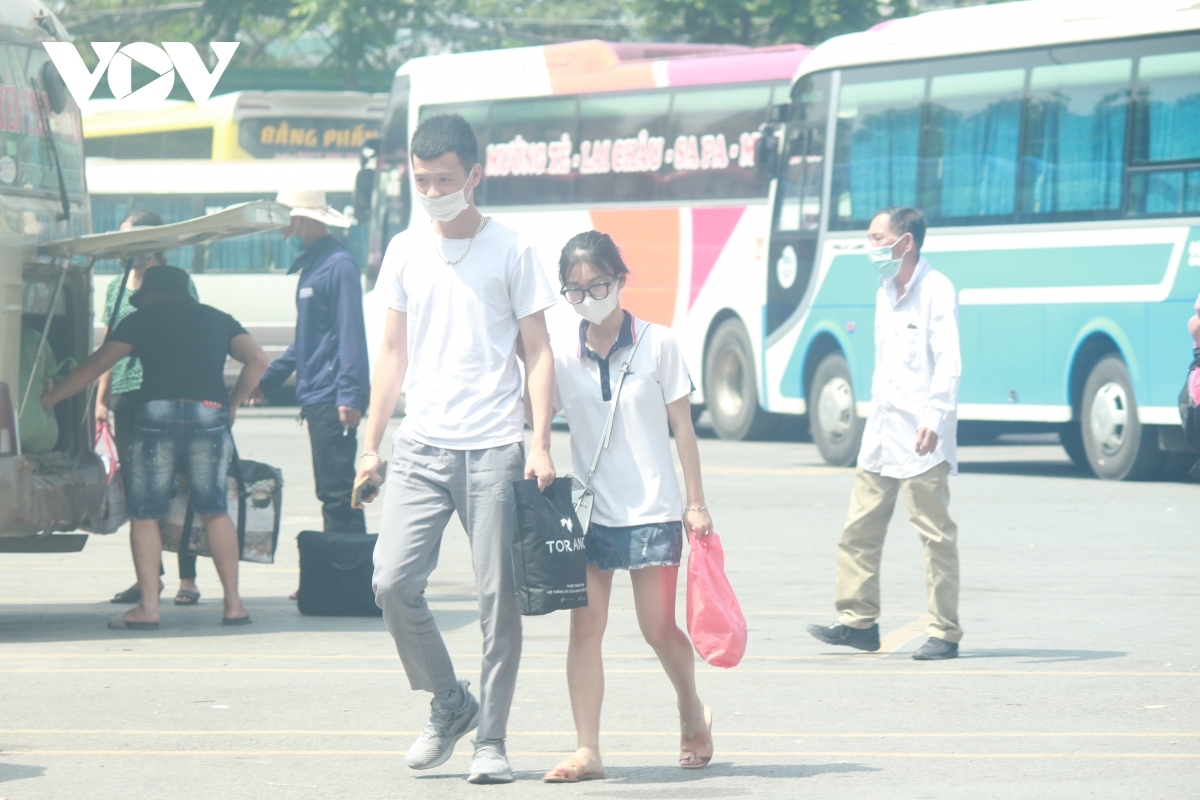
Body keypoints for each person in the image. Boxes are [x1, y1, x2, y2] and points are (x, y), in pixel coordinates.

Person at [356, 113, 557, 784]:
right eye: (421, 180)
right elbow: (391, 351)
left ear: (476, 174)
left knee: (497, 600)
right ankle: (450, 701)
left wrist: (540, 442)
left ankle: (491, 741)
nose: (434, 190)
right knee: (391, 582)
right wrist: (370, 443)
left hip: (495, 446)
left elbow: (538, 350)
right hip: (421, 445)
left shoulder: (513, 249)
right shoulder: (407, 249)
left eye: (445, 178)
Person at [539, 231, 715, 783]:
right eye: (575, 290)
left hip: (654, 509)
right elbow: (534, 410)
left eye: (598, 285)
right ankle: (587, 749)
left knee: (656, 627)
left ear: (621, 280)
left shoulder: (658, 343)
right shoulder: (561, 355)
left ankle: (691, 708)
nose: (588, 296)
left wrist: (696, 503)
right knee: (584, 628)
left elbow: (682, 428)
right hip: (590, 511)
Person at [42, 265, 269, 630]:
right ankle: (233, 605)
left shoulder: (143, 318)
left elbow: (99, 364)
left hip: (157, 414)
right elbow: (258, 360)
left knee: (145, 512)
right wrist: (233, 402)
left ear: (154, 294)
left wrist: (52, 397)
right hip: (209, 414)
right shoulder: (218, 318)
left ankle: (148, 607)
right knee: (213, 508)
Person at [806, 206, 963, 661]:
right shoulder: (883, 289)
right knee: (859, 529)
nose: (870, 246)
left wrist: (934, 418)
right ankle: (859, 623)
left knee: (935, 536)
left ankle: (945, 632)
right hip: (881, 432)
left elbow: (949, 361)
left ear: (905, 241)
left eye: (877, 238)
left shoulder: (936, 290)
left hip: (922, 436)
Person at [98, 210, 204, 607]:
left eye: (133, 240)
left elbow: (192, 330)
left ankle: (188, 578)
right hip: (127, 393)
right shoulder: (116, 287)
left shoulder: (178, 281)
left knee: (180, 483)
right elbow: (108, 343)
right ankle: (149, 579)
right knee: (139, 491)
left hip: (166, 391)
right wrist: (100, 399)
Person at [252, 190, 370, 537]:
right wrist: (266, 381)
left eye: (286, 226)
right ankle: (330, 578)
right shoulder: (313, 265)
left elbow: (351, 333)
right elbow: (305, 342)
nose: (284, 234)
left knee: (338, 493)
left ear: (301, 221)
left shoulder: (338, 265)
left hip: (332, 396)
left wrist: (349, 393)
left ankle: (346, 579)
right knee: (330, 491)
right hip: (317, 393)